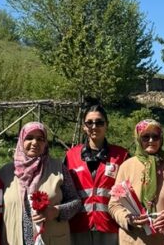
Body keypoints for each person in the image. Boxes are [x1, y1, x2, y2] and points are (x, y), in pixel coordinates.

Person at [0, 121, 82, 244]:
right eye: (29, 138)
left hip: (51, 239)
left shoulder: (58, 169)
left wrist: (56, 211)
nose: (35, 143)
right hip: (13, 239)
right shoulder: (5, 173)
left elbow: (76, 202)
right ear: (21, 140)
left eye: (40, 139)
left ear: (45, 143)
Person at [108, 119, 164, 245]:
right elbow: (114, 205)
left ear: (161, 139)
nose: (151, 140)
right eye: (145, 137)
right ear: (138, 139)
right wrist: (128, 219)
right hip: (133, 240)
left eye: (155, 136)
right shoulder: (126, 167)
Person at [65, 104, 129, 245]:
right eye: (89, 122)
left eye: (99, 122)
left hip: (110, 227)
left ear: (106, 125)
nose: (94, 126)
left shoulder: (121, 155)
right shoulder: (71, 156)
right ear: (84, 126)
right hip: (78, 227)